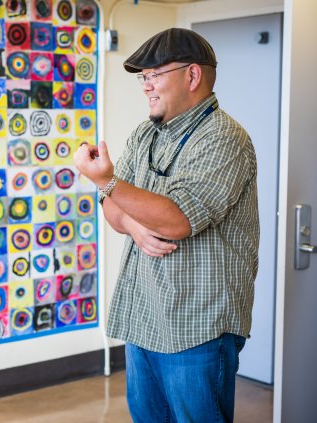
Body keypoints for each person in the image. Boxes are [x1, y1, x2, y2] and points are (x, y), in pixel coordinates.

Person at [74, 28, 259, 422]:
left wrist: (108, 184)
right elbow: (112, 209)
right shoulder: (145, 134)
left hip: (198, 327)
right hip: (144, 316)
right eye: (143, 77)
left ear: (192, 76)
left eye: (154, 75)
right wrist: (136, 223)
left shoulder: (225, 138)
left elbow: (177, 220)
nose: (146, 86)